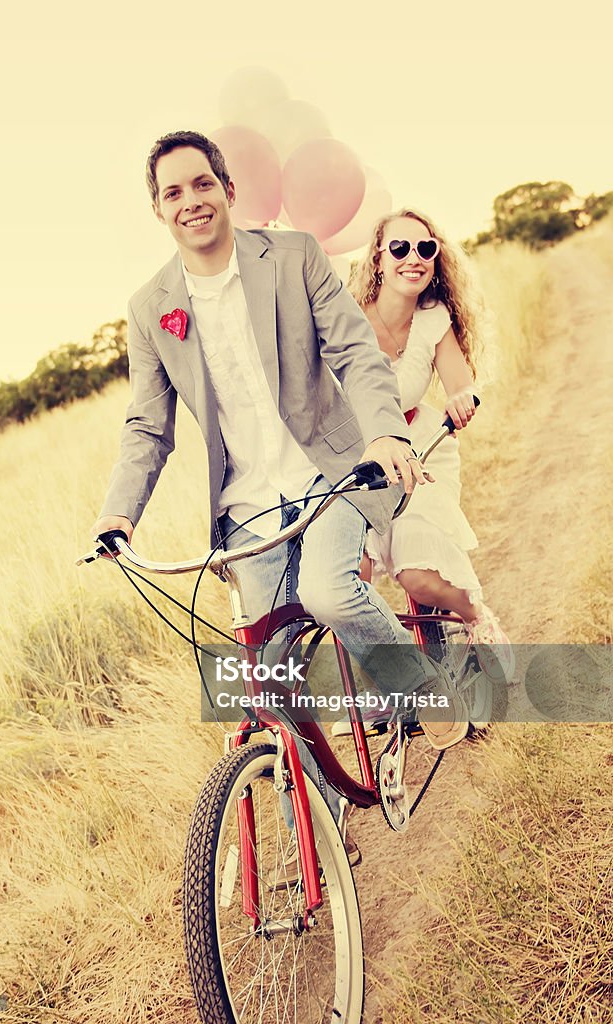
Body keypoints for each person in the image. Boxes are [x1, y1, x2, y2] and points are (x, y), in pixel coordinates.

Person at [92, 132, 468, 868]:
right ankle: (321, 840)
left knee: (330, 594)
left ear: (228, 190)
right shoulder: (151, 309)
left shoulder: (291, 257)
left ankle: (425, 687)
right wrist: (118, 512)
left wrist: (384, 435)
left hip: (328, 474)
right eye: (173, 193)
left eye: (202, 184)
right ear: (158, 211)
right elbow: (147, 425)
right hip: (247, 507)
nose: (191, 201)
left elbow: (357, 353)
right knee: (271, 677)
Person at [347, 208, 513, 684]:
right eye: (400, 248)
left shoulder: (433, 318)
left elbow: (459, 381)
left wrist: (462, 398)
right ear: (378, 259)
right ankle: (387, 682)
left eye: (425, 248)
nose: (413, 258)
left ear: (436, 259)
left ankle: (475, 612)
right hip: (362, 459)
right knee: (348, 580)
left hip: (422, 448)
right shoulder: (349, 320)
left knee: (416, 576)